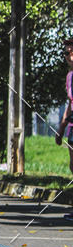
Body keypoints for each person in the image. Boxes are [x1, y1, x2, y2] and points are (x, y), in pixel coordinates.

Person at [55, 37, 73, 223]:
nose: (69, 56)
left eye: (71, 52)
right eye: (66, 53)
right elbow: (70, 103)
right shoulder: (70, 76)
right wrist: (60, 128)